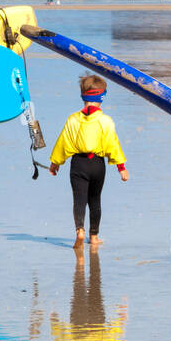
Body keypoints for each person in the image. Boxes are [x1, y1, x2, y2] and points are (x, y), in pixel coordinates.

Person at [49, 75, 129, 247]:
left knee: (79, 200)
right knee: (95, 200)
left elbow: (64, 141)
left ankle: (79, 230)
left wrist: (55, 162)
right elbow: (112, 144)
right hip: (97, 165)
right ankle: (93, 237)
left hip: (78, 164)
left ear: (83, 96)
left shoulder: (73, 119)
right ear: (101, 97)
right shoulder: (105, 121)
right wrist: (121, 167)